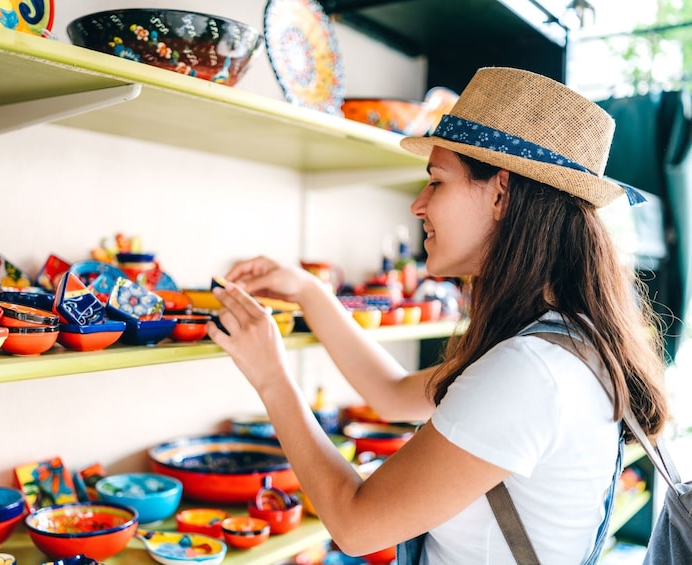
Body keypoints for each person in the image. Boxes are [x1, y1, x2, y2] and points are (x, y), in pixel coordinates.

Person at [207, 67, 670, 564]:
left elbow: (356, 525)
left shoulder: (530, 371)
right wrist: (309, 291)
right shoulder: (569, 341)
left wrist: (272, 377)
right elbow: (391, 394)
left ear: (500, 194)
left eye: (436, 181)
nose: (418, 205)